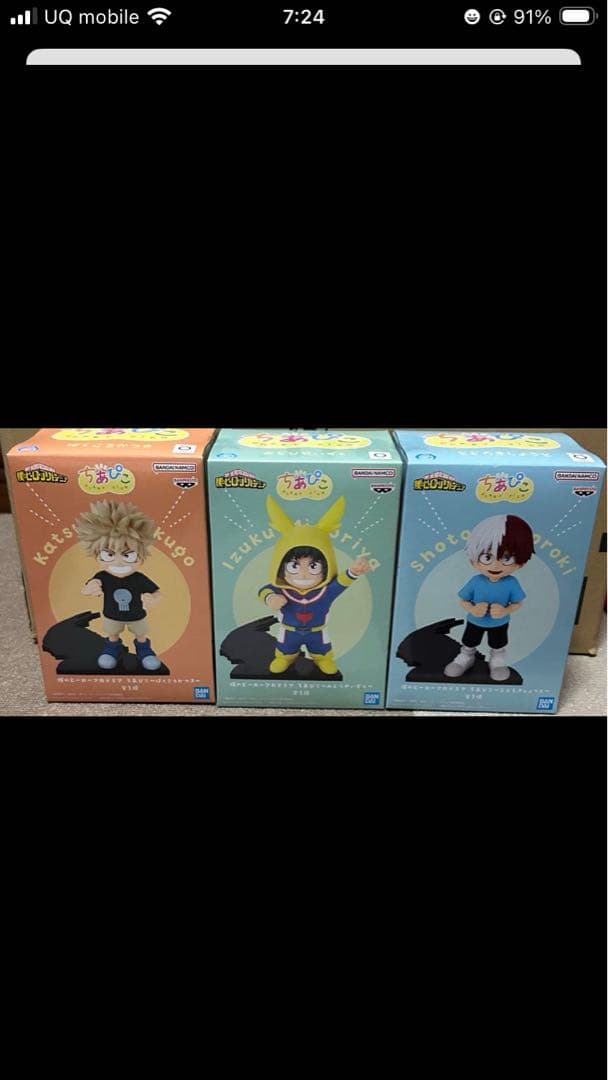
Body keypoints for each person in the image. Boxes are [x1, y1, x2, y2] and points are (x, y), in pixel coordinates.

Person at [259, 495, 370, 675]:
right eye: (294, 566)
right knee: (285, 649)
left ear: (326, 566)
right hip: (289, 632)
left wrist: (353, 571)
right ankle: (284, 658)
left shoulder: (325, 591)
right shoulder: (282, 590)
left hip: (317, 632)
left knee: (322, 650)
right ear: (280, 567)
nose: (303, 574)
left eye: (313, 567)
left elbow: (341, 582)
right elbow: (264, 590)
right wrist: (271, 598)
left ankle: (323, 659)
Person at [444, 513, 534, 682]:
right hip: (474, 621)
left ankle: (497, 661)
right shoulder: (475, 581)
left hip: (500, 623)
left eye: (506, 558)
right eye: (487, 557)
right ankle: (466, 656)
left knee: (498, 643)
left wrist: (505, 610)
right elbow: (463, 600)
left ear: (521, 561)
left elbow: (518, 603)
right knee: (469, 641)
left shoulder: (512, 583)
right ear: (473, 560)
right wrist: (472, 609)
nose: (495, 565)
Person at [75, 500, 163, 671]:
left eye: (128, 555)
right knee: (112, 633)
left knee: (141, 634)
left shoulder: (139, 578)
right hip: (112, 615)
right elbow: (86, 588)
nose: (118, 562)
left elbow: (157, 592)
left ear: (140, 554)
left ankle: (144, 650)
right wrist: (89, 588)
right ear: (96, 554)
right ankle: (112, 648)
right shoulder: (102, 577)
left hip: (137, 615)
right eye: (108, 555)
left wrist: (153, 598)